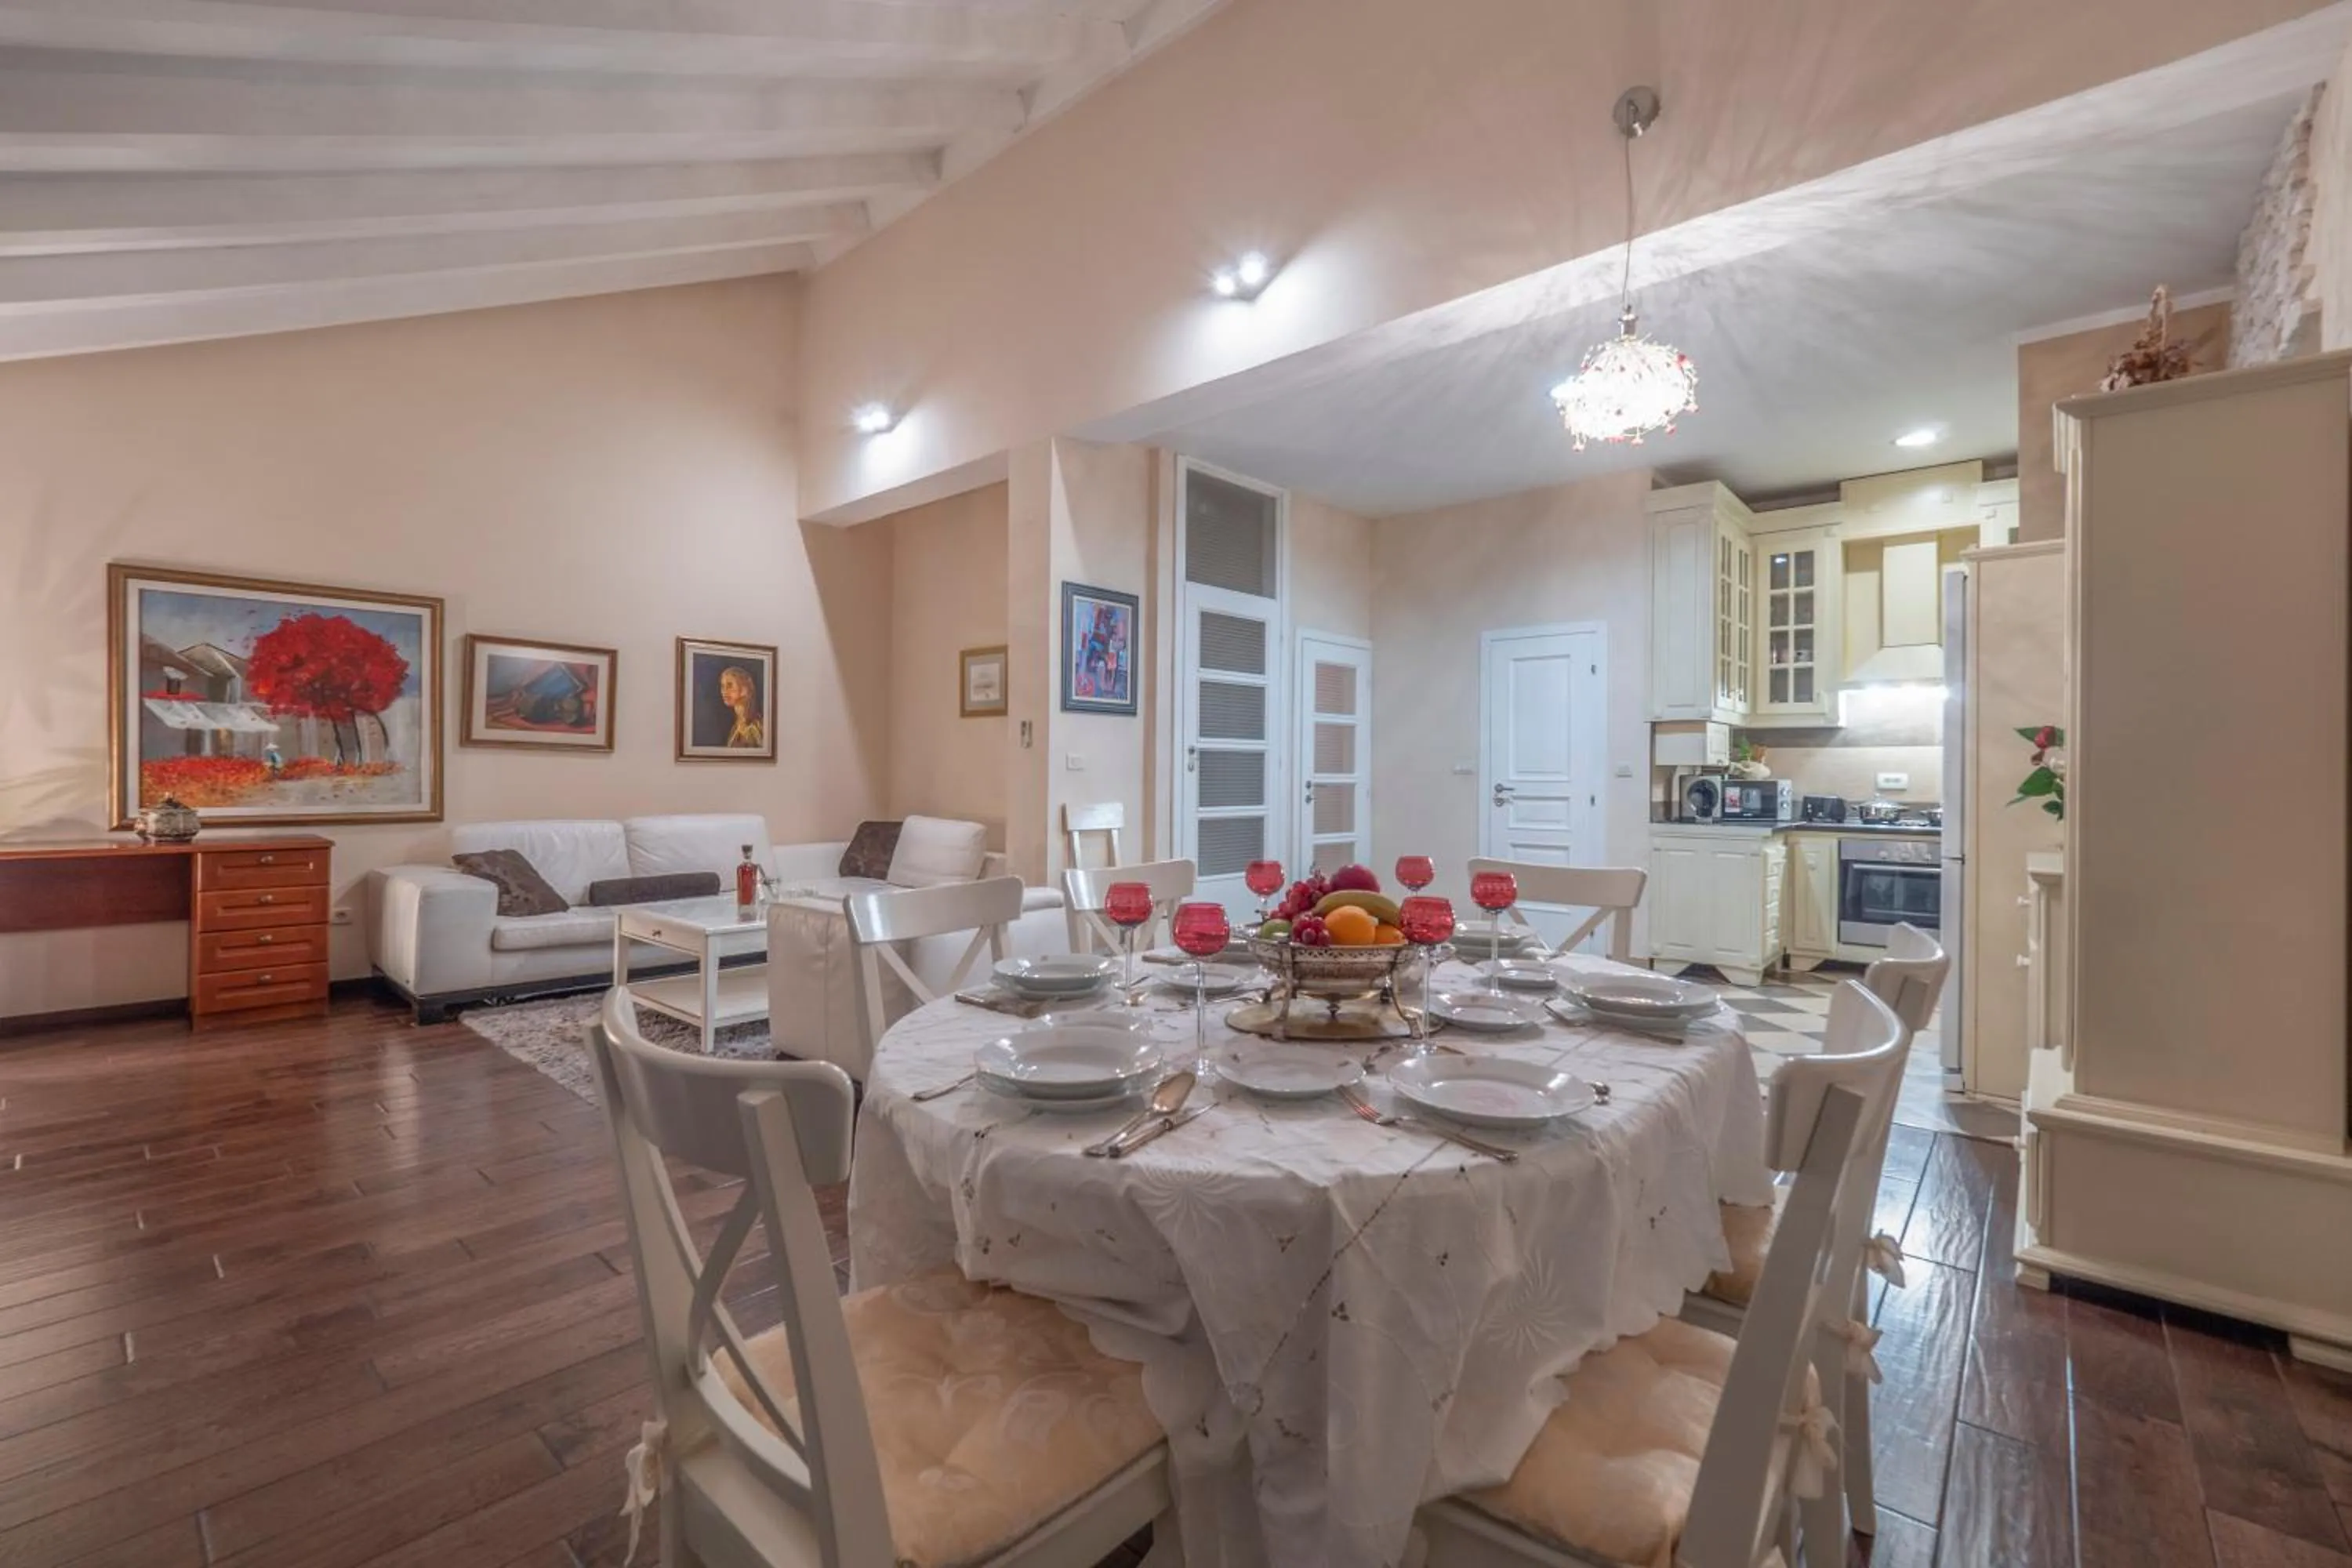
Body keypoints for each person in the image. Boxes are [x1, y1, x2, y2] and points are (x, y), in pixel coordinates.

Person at [718, 665, 764, 749]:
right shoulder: (735, 727)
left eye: (730, 685)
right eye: (722, 686)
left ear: (744, 688)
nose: (724, 691)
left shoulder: (758, 727)